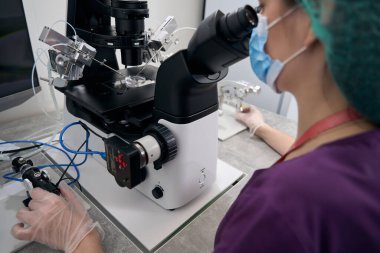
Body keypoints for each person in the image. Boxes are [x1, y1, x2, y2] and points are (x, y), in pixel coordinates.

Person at [12, 0, 380, 252]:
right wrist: (262, 127)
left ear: (312, 27)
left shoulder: (280, 209)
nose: (258, 24)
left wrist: (79, 239)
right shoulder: (364, 145)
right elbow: (326, 159)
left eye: (264, 9)